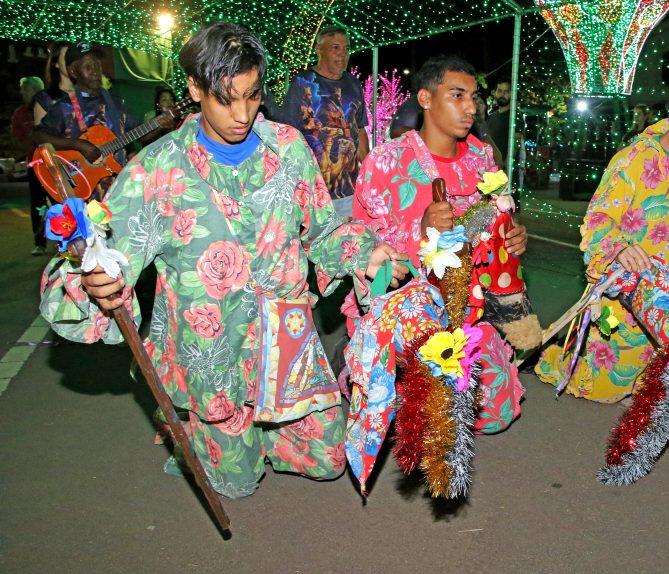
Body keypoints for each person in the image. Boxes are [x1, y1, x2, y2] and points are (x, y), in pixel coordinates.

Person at [38, 22, 408, 499]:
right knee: (237, 484)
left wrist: (366, 250)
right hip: (212, 356)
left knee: (330, 460)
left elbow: (325, 231)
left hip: (284, 344)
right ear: (194, 89)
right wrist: (93, 281)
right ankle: (194, 427)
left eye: (253, 96)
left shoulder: (289, 149)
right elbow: (102, 256)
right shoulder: (156, 169)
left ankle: (259, 426)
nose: (242, 114)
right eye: (225, 99)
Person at [350, 55, 528, 433]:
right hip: (409, 304)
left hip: (471, 306)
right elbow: (360, 248)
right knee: (421, 414)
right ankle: (367, 368)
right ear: (426, 99)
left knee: (496, 414)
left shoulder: (483, 160)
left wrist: (512, 237)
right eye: (457, 95)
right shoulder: (386, 163)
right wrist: (420, 231)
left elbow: (498, 225)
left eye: (473, 97)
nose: (470, 107)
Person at [536, 89, 669, 404]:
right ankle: (549, 357)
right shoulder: (633, 160)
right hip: (629, 291)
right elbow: (598, 218)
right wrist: (619, 247)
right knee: (605, 389)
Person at [272, 26, 368, 217]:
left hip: (349, 190)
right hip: (313, 192)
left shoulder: (354, 84)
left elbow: (360, 129)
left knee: (349, 243)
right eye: (335, 47)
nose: (343, 54)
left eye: (346, 48)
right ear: (319, 50)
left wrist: (369, 173)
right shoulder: (303, 82)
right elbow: (289, 133)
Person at [32, 41, 143, 190]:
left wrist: (163, 122)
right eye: (88, 67)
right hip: (81, 187)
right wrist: (78, 145)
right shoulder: (64, 107)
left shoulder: (115, 104)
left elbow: (141, 133)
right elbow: (38, 136)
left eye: (97, 66)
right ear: (73, 71)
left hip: (116, 190)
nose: (95, 71)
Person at [11, 76, 47, 255]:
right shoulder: (20, 114)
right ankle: (39, 242)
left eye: (24, 90)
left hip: (53, 163)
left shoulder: (48, 106)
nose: (22, 93)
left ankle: (67, 240)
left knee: (62, 200)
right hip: (34, 166)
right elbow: (17, 138)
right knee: (37, 204)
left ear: (35, 90)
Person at [485, 78, 511, 161]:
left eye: (506, 91)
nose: (502, 94)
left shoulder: (514, 116)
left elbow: (516, 142)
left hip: (503, 170)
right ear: (495, 93)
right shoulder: (491, 117)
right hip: (489, 168)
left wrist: (506, 164)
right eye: (499, 91)